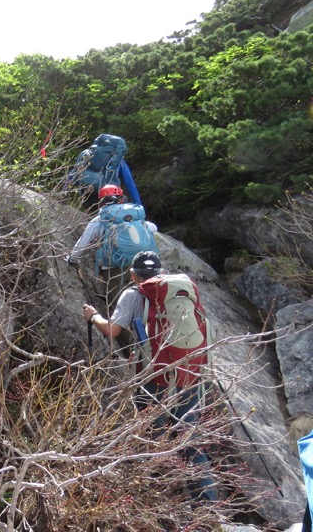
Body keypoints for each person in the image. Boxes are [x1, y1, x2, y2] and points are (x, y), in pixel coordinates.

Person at [81, 251, 218, 505]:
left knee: (149, 433)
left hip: (154, 375)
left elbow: (112, 331)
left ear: (132, 274)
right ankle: (206, 504)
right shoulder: (180, 290)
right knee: (188, 436)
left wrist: (93, 316)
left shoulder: (133, 294)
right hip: (189, 371)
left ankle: (151, 495)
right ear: (160, 272)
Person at [67, 184, 158, 306]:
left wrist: (72, 258)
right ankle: (141, 323)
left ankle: (121, 324)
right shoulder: (134, 215)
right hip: (140, 264)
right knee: (140, 303)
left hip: (114, 267)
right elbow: (153, 228)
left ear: (102, 201)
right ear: (121, 198)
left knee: (118, 306)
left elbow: (84, 241)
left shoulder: (101, 219)